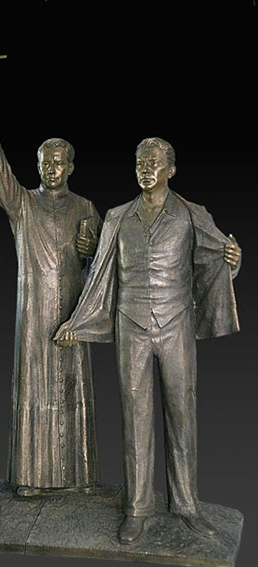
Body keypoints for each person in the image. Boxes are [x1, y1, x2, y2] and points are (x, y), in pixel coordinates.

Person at [55, 137, 241, 543]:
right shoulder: (119, 216)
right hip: (131, 326)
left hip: (176, 325)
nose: (145, 168)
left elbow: (215, 259)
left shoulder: (191, 214)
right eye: (140, 162)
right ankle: (137, 508)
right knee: (135, 419)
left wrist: (234, 262)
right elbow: (100, 274)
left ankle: (187, 505)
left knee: (182, 415)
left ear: (170, 170)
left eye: (153, 162)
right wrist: (77, 322)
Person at [0, 78, 102, 496]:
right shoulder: (24, 204)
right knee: (33, 389)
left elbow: (105, 267)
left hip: (73, 313)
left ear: (70, 167)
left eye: (58, 162)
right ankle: (31, 477)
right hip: (33, 314)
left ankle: (77, 476)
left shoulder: (85, 207)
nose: (51, 168)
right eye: (45, 162)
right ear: (38, 166)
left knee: (72, 387)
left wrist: (92, 249)